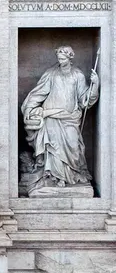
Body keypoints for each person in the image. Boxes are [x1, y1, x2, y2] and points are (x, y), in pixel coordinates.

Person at [21, 45, 99, 188]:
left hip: (70, 118)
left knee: (73, 145)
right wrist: (30, 108)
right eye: (59, 58)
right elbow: (39, 93)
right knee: (54, 148)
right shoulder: (51, 74)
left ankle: (72, 175)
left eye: (63, 58)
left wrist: (95, 85)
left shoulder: (78, 75)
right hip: (51, 116)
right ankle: (57, 177)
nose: (60, 60)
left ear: (70, 58)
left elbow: (85, 100)